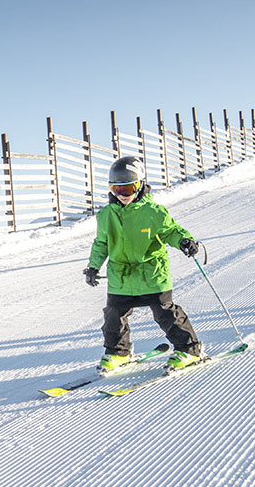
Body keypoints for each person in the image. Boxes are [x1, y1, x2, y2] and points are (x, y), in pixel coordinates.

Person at [83, 156, 203, 371]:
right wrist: (93, 266)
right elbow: (101, 243)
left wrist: (184, 241)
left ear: (139, 186)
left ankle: (189, 349)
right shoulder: (106, 215)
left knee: (165, 313)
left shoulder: (154, 212)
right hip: (121, 276)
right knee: (113, 315)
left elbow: (171, 231)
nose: (121, 195)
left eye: (127, 189)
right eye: (116, 189)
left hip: (152, 274)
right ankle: (118, 353)